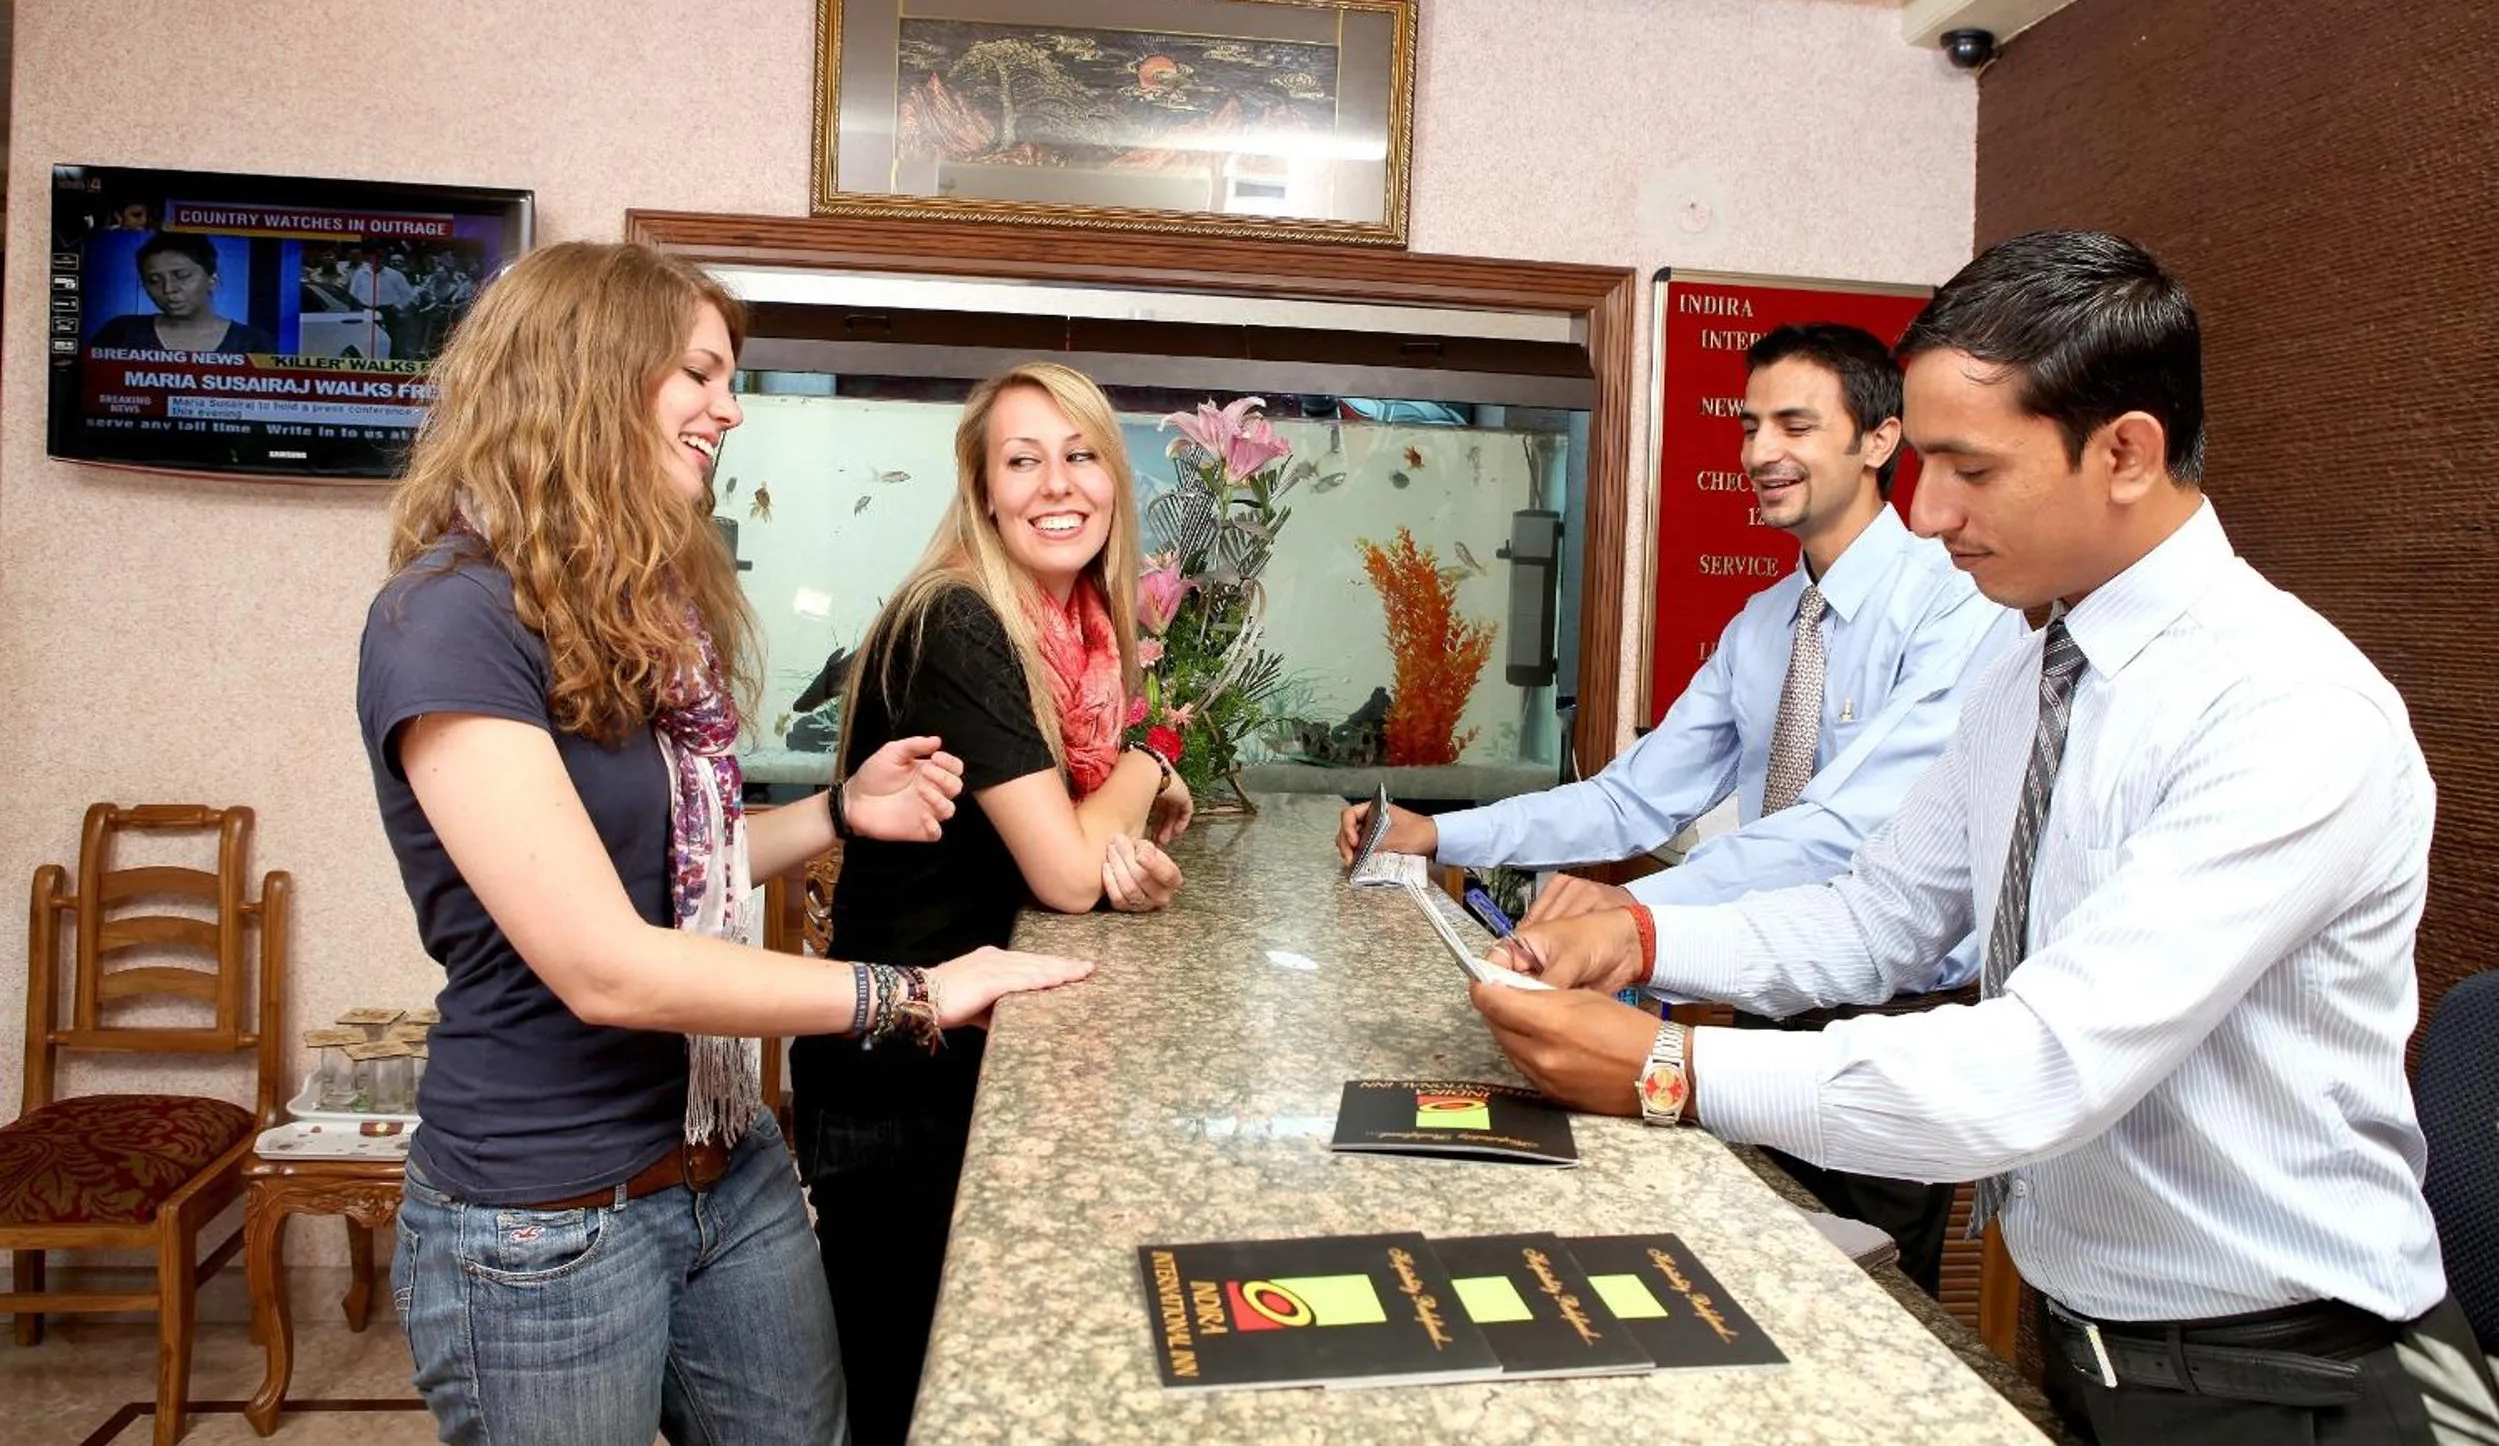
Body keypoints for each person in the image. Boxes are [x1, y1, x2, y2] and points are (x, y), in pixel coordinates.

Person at [1473, 231, 2499, 1445]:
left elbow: (2042, 1065)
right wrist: (1649, 935)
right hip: (2093, 1338)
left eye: (1968, 465)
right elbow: (1879, 916)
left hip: (2290, 1375)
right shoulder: (2027, 664)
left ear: (2125, 451)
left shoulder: (2284, 709)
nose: (1928, 508)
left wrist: (1670, 1068)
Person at [356, 242, 1093, 1446]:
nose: (729, 406)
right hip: (544, 1216)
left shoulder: (631, 611)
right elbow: (606, 963)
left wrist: (837, 813)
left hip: (721, 1161)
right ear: (590, 373)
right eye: (699, 372)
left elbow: (676, 866)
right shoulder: (447, 621)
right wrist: (910, 993)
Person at [1340, 322, 2021, 1290]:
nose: (1759, 453)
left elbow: (1843, 829)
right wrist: (1433, 829)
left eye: (1795, 424)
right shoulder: (1764, 623)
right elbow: (1632, 798)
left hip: (1891, 1009)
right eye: (1750, 427)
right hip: (1763, 985)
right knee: (1755, 1261)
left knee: (1863, 1295)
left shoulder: (1959, 606)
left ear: (1880, 440)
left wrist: (1634, 923)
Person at [791, 360, 1193, 1446]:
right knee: (903, 1386)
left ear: (1115, 476)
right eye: (1023, 460)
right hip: (899, 1060)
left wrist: (1127, 840)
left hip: (969, 1035)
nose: (1056, 484)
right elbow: (1066, 868)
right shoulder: (963, 622)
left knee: (971, 1373)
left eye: (1081, 455)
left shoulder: (1073, 632)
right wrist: (1156, 758)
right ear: (981, 486)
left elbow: (1075, 849)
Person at [88, 231, 279, 355]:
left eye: (182, 276)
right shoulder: (121, 333)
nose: (168, 289)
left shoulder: (254, 343)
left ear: (212, 279)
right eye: (154, 281)